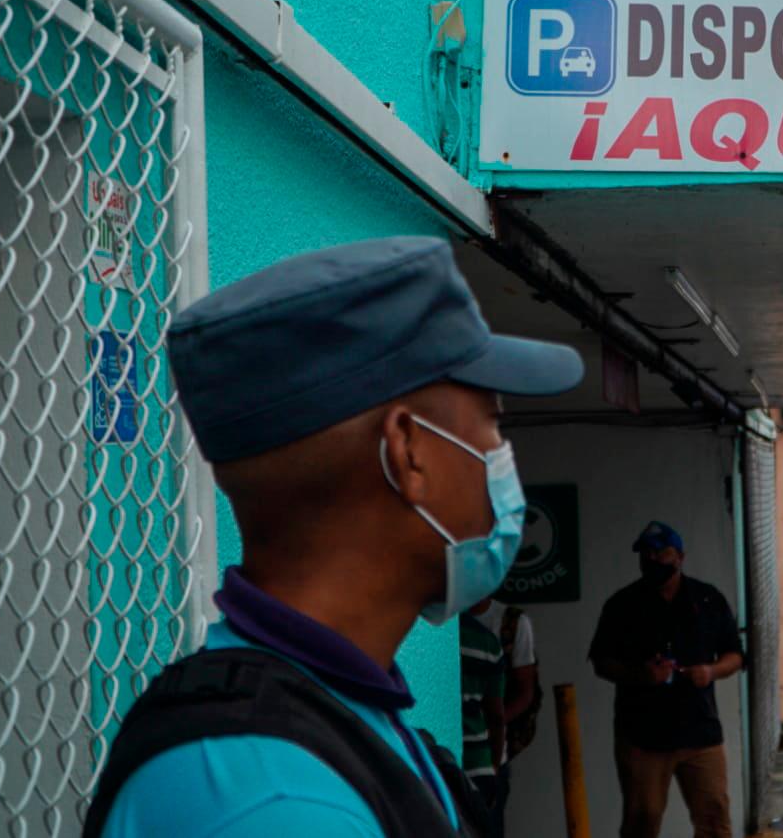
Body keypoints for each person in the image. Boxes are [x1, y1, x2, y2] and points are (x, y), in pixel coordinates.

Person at [84, 236, 583, 838]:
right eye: (491, 426)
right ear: (410, 453)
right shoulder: (273, 801)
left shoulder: (345, 714)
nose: (501, 459)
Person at [589, 521, 744, 838]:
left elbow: (736, 656)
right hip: (643, 737)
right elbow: (601, 662)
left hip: (700, 733)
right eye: (646, 553)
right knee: (642, 821)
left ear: (680, 557)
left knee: (715, 818)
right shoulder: (622, 605)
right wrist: (641, 675)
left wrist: (710, 671)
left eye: (662, 552)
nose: (654, 559)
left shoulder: (707, 600)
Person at [482, 598, 541, 801]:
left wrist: (489, 726)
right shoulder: (447, 620)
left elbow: (525, 693)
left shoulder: (512, 623)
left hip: (493, 747)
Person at [460, 601, 507, 834]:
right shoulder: (488, 642)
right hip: (479, 764)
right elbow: (496, 716)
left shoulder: (443, 637)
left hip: (440, 763)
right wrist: (495, 766)